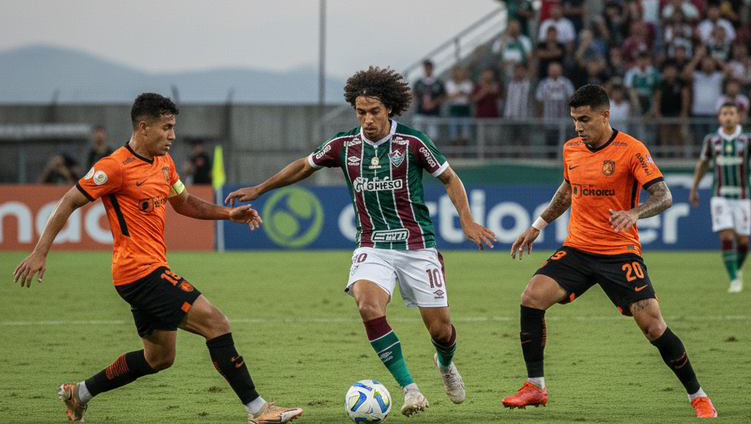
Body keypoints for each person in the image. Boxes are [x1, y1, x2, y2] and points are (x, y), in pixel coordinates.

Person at [13, 93, 302, 424]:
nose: (173, 136)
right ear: (143, 127)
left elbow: (185, 203)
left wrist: (228, 214)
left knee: (160, 358)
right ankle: (259, 410)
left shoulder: (165, 164)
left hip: (149, 272)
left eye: (174, 128)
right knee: (216, 323)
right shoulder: (114, 167)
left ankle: (77, 394)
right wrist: (40, 250)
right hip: (138, 273)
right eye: (167, 128)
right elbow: (67, 202)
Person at [225, 67, 496, 417]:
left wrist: (467, 219)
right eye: (361, 112)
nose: (367, 120)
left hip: (417, 246)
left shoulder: (412, 143)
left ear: (390, 109)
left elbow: (450, 178)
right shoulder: (344, 145)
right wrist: (261, 188)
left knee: (442, 332)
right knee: (367, 305)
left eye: (375, 112)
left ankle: (445, 364)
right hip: (372, 245)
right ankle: (410, 390)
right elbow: (304, 166)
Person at [503, 84, 717, 419]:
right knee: (531, 296)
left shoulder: (631, 150)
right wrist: (538, 225)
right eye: (574, 120)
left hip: (620, 253)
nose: (578, 127)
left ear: (605, 115)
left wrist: (634, 213)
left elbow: (664, 196)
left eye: (585, 119)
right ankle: (535, 387)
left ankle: (698, 395)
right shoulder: (572, 148)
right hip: (577, 248)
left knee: (652, 325)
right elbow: (568, 188)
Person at [689, 101, 751, 293]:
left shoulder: (748, 139)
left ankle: (737, 268)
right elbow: (703, 164)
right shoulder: (712, 140)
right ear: (719, 117)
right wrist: (694, 188)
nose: (728, 116)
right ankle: (734, 280)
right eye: (725, 113)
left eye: (732, 113)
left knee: (743, 241)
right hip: (719, 195)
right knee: (726, 234)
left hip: (742, 197)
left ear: (738, 117)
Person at [412, 60, 446, 141]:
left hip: (433, 113)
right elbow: (414, 94)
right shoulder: (419, 82)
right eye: (426, 68)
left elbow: (442, 96)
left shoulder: (438, 83)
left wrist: (434, 103)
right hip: (420, 112)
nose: (427, 70)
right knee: (417, 136)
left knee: (432, 137)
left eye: (429, 68)